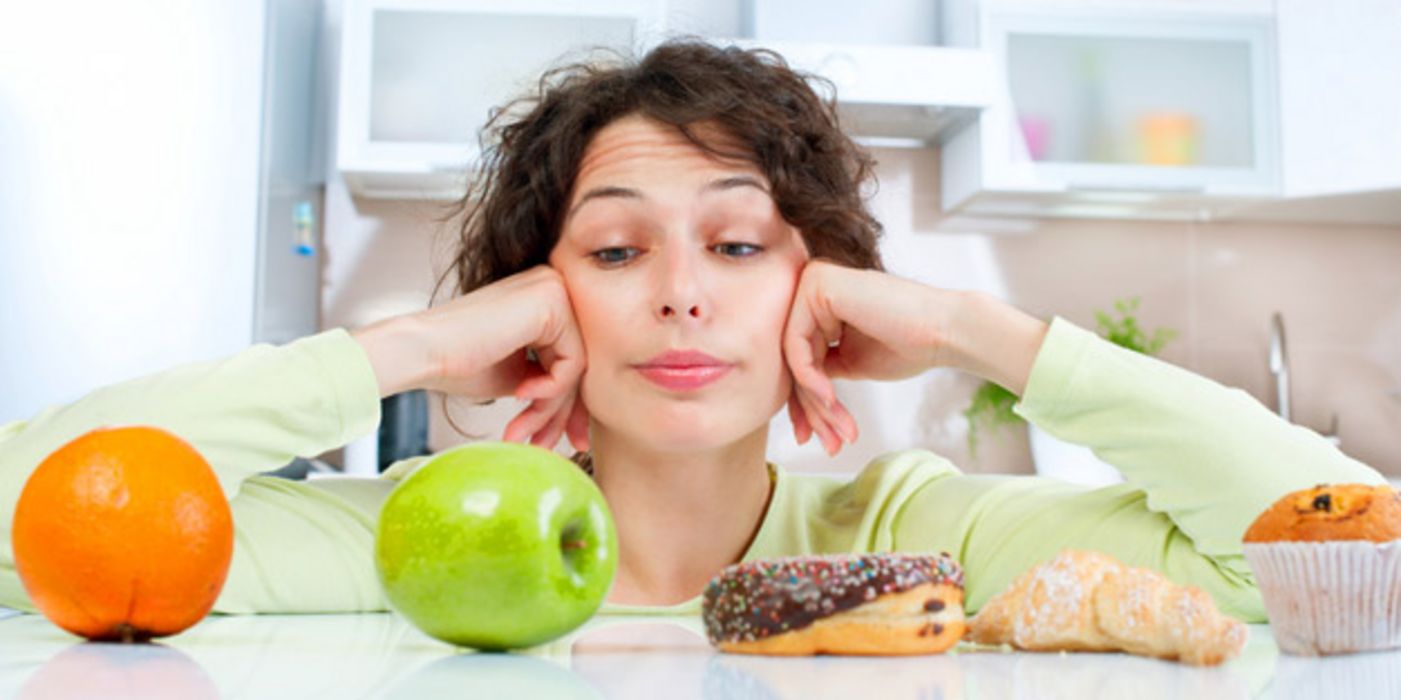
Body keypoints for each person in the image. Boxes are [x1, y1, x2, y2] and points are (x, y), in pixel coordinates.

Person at [0, 40, 1383, 619]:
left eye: (738, 247)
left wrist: (976, 329)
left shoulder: (916, 536)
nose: (677, 292)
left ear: (819, 302)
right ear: (538, 305)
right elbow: (30, 532)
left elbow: (1345, 560)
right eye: (611, 251)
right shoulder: (409, 546)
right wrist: (408, 347)